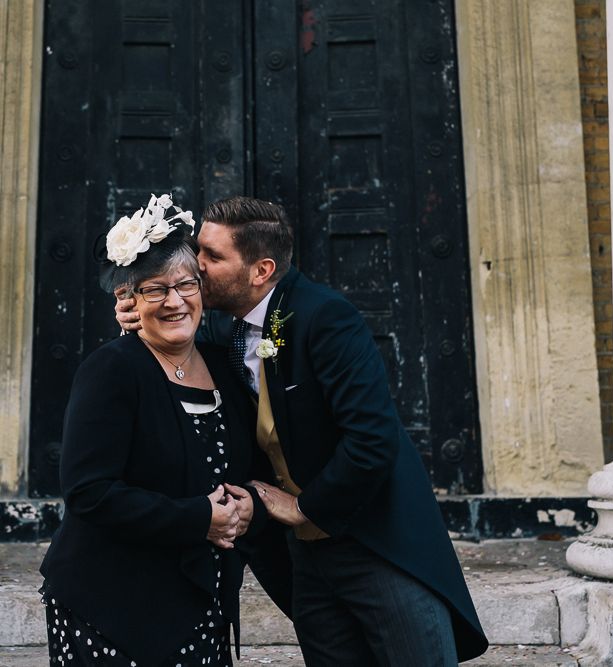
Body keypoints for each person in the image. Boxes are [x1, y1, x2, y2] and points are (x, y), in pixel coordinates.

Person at [117, 195, 489, 666]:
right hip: (303, 560)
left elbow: (373, 439)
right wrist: (140, 325)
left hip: (374, 541)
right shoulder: (224, 333)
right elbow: (176, 378)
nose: (198, 266)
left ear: (261, 270)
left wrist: (304, 506)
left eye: (212, 256)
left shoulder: (325, 318)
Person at [40, 194, 267, 666]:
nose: (175, 301)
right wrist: (198, 519)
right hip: (111, 603)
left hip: (198, 598)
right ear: (127, 300)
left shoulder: (226, 367)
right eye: (154, 290)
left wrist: (249, 506)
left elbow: (243, 465)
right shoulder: (112, 370)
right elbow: (89, 492)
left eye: (186, 285)